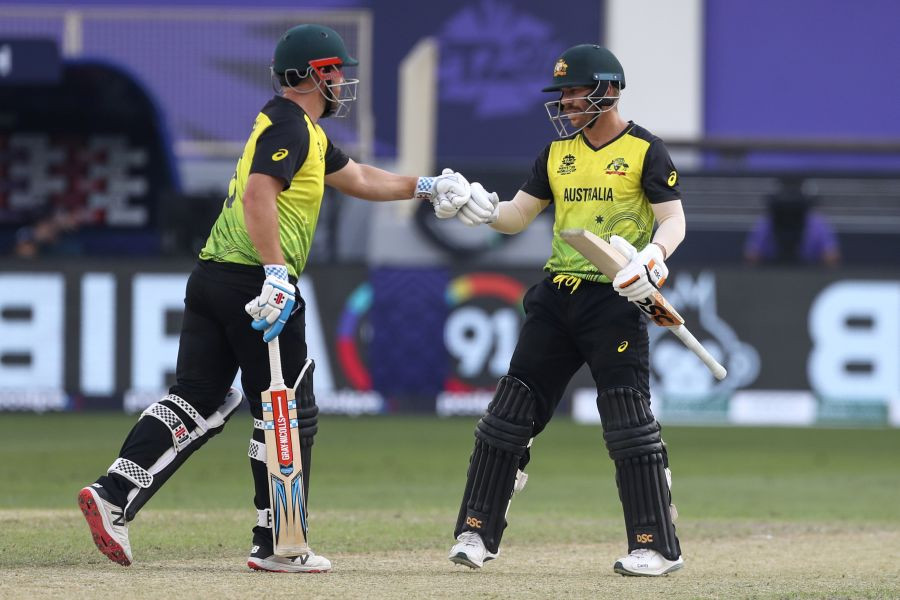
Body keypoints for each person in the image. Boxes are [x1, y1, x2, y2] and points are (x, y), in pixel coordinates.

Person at [77, 24, 471, 573]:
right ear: (311, 75)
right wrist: (276, 272)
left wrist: (425, 187)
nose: (341, 82)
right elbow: (262, 193)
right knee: (285, 412)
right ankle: (280, 544)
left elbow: (356, 175)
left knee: (201, 399)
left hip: (214, 274)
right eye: (334, 71)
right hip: (255, 283)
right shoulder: (289, 125)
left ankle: (114, 492)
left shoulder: (295, 126)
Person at [443, 44, 686, 576]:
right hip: (557, 296)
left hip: (615, 298)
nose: (568, 103)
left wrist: (653, 255)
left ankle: (655, 546)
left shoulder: (647, 150)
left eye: (576, 92)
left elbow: (673, 220)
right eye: (565, 94)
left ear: (608, 90)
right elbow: (515, 216)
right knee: (509, 415)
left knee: (626, 422)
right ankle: (476, 532)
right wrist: (478, 208)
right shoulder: (556, 154)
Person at [744, 191, 840, 266]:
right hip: (773, 273)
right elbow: (752, 255)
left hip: (808, 273)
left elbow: (831, 255)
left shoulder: (817, 222)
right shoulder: (767, 221)